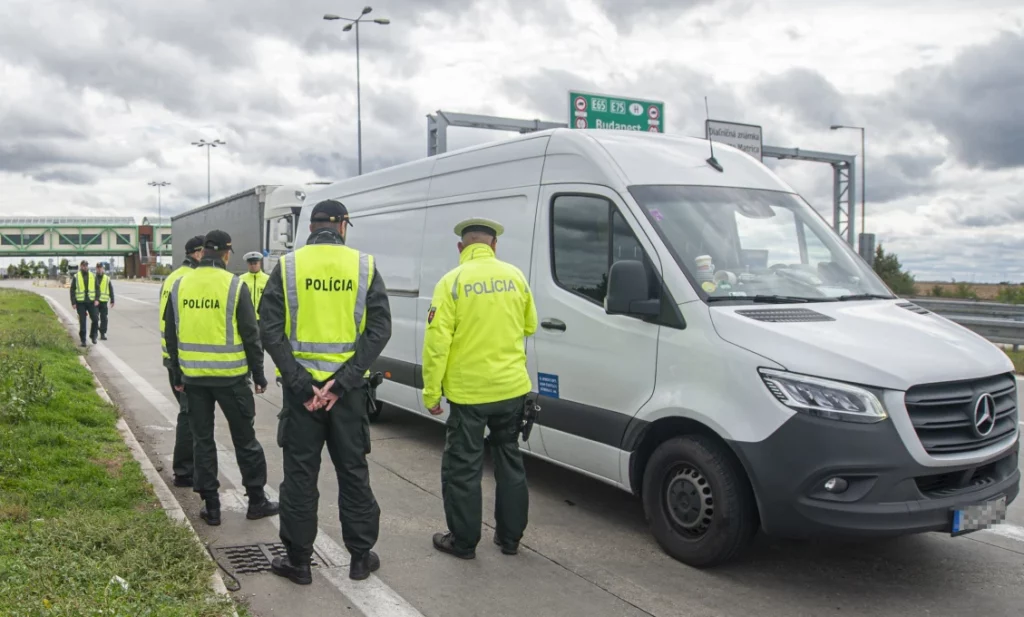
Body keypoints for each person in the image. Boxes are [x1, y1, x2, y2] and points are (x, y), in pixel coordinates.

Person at [260, 199, 392, 584]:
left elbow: (270, 329)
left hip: (302, 397)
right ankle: (360, 558)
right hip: (347, 396)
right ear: (342, 226)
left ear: (311, 227)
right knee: (353, 473)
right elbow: (379, 330)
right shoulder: (364, 265)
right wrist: (343, 382)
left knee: (300, 477)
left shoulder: (288, 266)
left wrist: (304, 385)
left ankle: (299, 562)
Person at [422, 217, 537, 559]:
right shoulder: (516, 277)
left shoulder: (452, 281)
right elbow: (529, 325)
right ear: (494, 245)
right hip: (512, 389)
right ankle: (510, 539)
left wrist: (431, 393)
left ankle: (464, 541)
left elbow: (437, 344)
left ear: (461, 247)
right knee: (509, 460)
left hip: (469, 394)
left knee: (463, 468)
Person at [163, 230, 279, 526]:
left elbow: (171, 334)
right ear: (226, 254)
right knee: (245, 440)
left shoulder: (180, 284)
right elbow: (251, 334)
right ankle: (256, 501)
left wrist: (177, 373)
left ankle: (212, 507)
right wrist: (259, 374)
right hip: (231, 380)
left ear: (202, 252)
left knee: (202, 442)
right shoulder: (234, 285)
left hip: (194, 381)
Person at [159, 235, 205, 488]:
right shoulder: (190, 279)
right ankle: (185, 471)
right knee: (189, 415)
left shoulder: (172, 277)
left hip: (172, 356)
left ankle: (190, 466)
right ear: (197, 253)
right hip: (185, 358)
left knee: (189, 413)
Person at [70, 260, 99, 347]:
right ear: (81, 266)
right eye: (83, 265)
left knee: (95, 319)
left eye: (86, 265)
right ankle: (83, 340)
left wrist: (97, 299)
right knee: (82, 321)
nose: (85, 267)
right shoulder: (76, 276)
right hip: (80, 302)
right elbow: (72, 290)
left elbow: (97, 288)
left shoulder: (93, 276)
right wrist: (73, 302)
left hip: (91, 301)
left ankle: (93, 336)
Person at [242, 252, 270, 319]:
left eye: (255, 263)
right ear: (248, 264)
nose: (253, 266)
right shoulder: (241, 279)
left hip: (263, 318)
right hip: (247, 318)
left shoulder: (268, 279)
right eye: (251, 263)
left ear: (259, 263)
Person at [94, 263, 115, 341]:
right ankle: (95, 332)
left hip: (104, 302)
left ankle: (102, 333)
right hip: (95, 301)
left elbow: (110, 289)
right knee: (95, 318)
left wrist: (112, 300)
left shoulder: (107, 278)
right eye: (98, 268)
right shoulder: (93, 277)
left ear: (103, 269)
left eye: (101, 268)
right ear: (96, 269)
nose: (99, 269)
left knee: (104, 318)